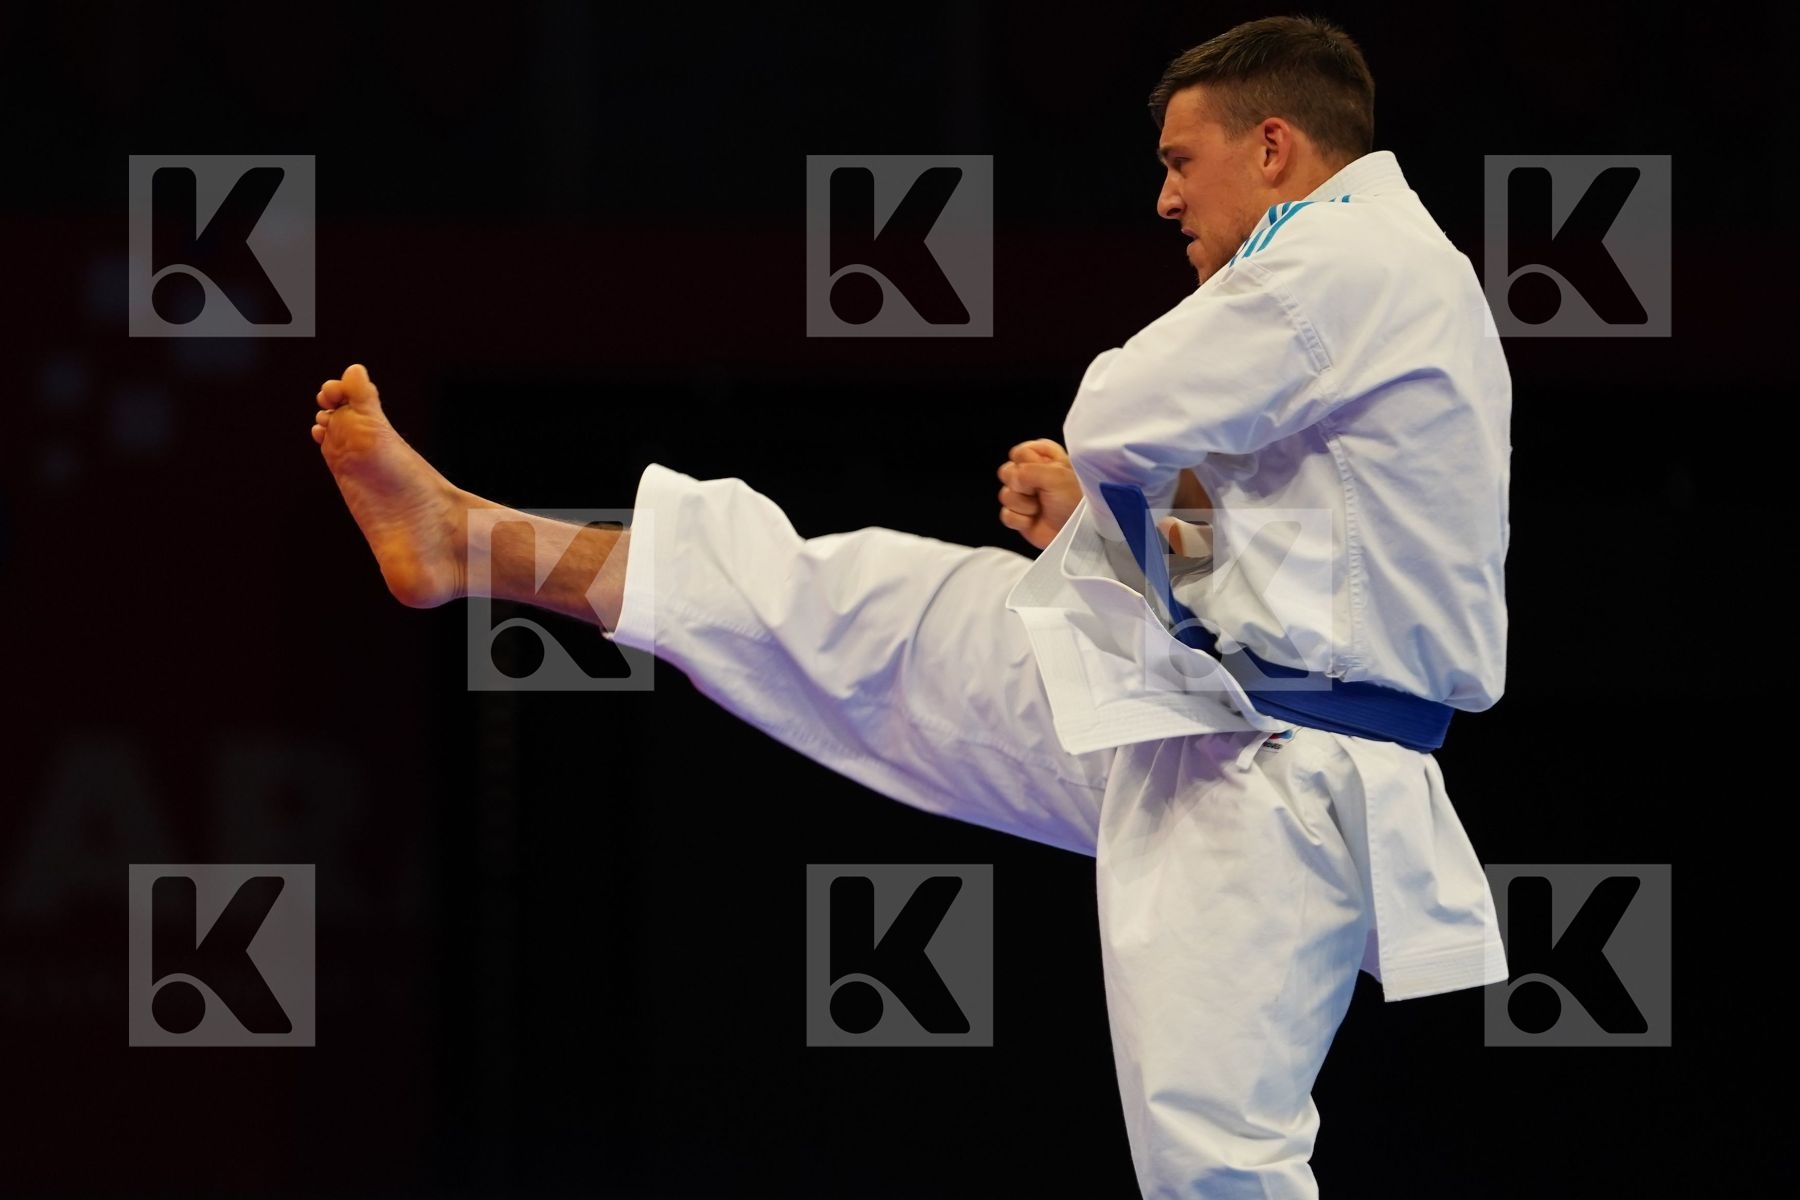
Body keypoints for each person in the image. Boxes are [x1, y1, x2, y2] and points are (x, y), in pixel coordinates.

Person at [310, 16, 1510, 1198]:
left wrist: (1106, 481)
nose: (1164, 201)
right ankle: (463, 538)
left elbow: (1117, 411)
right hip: (1204, 703)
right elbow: (1310, 550)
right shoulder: (1375, 287)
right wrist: (1114, 528)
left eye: (1179, 163)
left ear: (1273, 147)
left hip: (1280, 768)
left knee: (1215, 1162)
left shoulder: (1348, 252)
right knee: (860, 608)